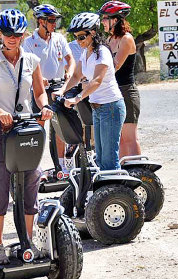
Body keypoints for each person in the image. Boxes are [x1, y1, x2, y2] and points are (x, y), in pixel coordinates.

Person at [0, 9, 53, 264]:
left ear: (23, 35)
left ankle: (27, 241)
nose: (12, 38)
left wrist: (44, 107)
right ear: (0, 34)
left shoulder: (32, 60)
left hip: (26, 126)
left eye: (17, 34)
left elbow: (40, 93)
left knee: (31, 181)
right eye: (8, 33)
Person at [55, 12, 126, 171]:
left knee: (109, 159)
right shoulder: (86, 52)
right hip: (98, 109)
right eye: (75, 37)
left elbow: (96, 81)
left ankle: (117, 194)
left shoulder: (102, 52)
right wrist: (62, 91)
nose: (78, 41)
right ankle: (107, 193)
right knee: (100, 157)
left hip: (111, 107)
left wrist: (77, 98)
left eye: (81, 37)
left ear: (93, 32)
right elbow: (76, 76)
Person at [23, 4, 75, 173]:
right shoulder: (29, 42)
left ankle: (62, 167)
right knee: (39, 128)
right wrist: (38, 79)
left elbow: (70, 60)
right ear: (40, 21)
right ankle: (35, 168)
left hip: (59, 87)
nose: (54, 24)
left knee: (60, 127)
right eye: (51, 20)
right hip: (40, 90)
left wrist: (70, 73)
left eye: (55, 20)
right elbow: (26, 67)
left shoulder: (59, 38)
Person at [99, 1, 141, 157]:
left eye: (105, 18)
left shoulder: (126, 39)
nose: (102, 22)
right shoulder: (110, 40)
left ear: (115, 20)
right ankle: (124, 173)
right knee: (121, 139)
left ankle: (138, 173)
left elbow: (114, 66)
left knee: (130, 138)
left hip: (127, 92)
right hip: (114, 92)